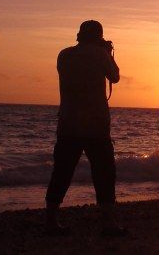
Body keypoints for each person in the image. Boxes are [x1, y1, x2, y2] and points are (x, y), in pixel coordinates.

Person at [44, 20, 125, 236]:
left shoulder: (64, 55)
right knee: (104, 173)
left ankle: (50, 219)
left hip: (68, 123)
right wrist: (107, 52)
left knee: (61, 172)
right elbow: (115, 76)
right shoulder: (100, 54)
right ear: (98, 38)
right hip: (95, 125)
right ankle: (108, 222)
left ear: (79, 35)